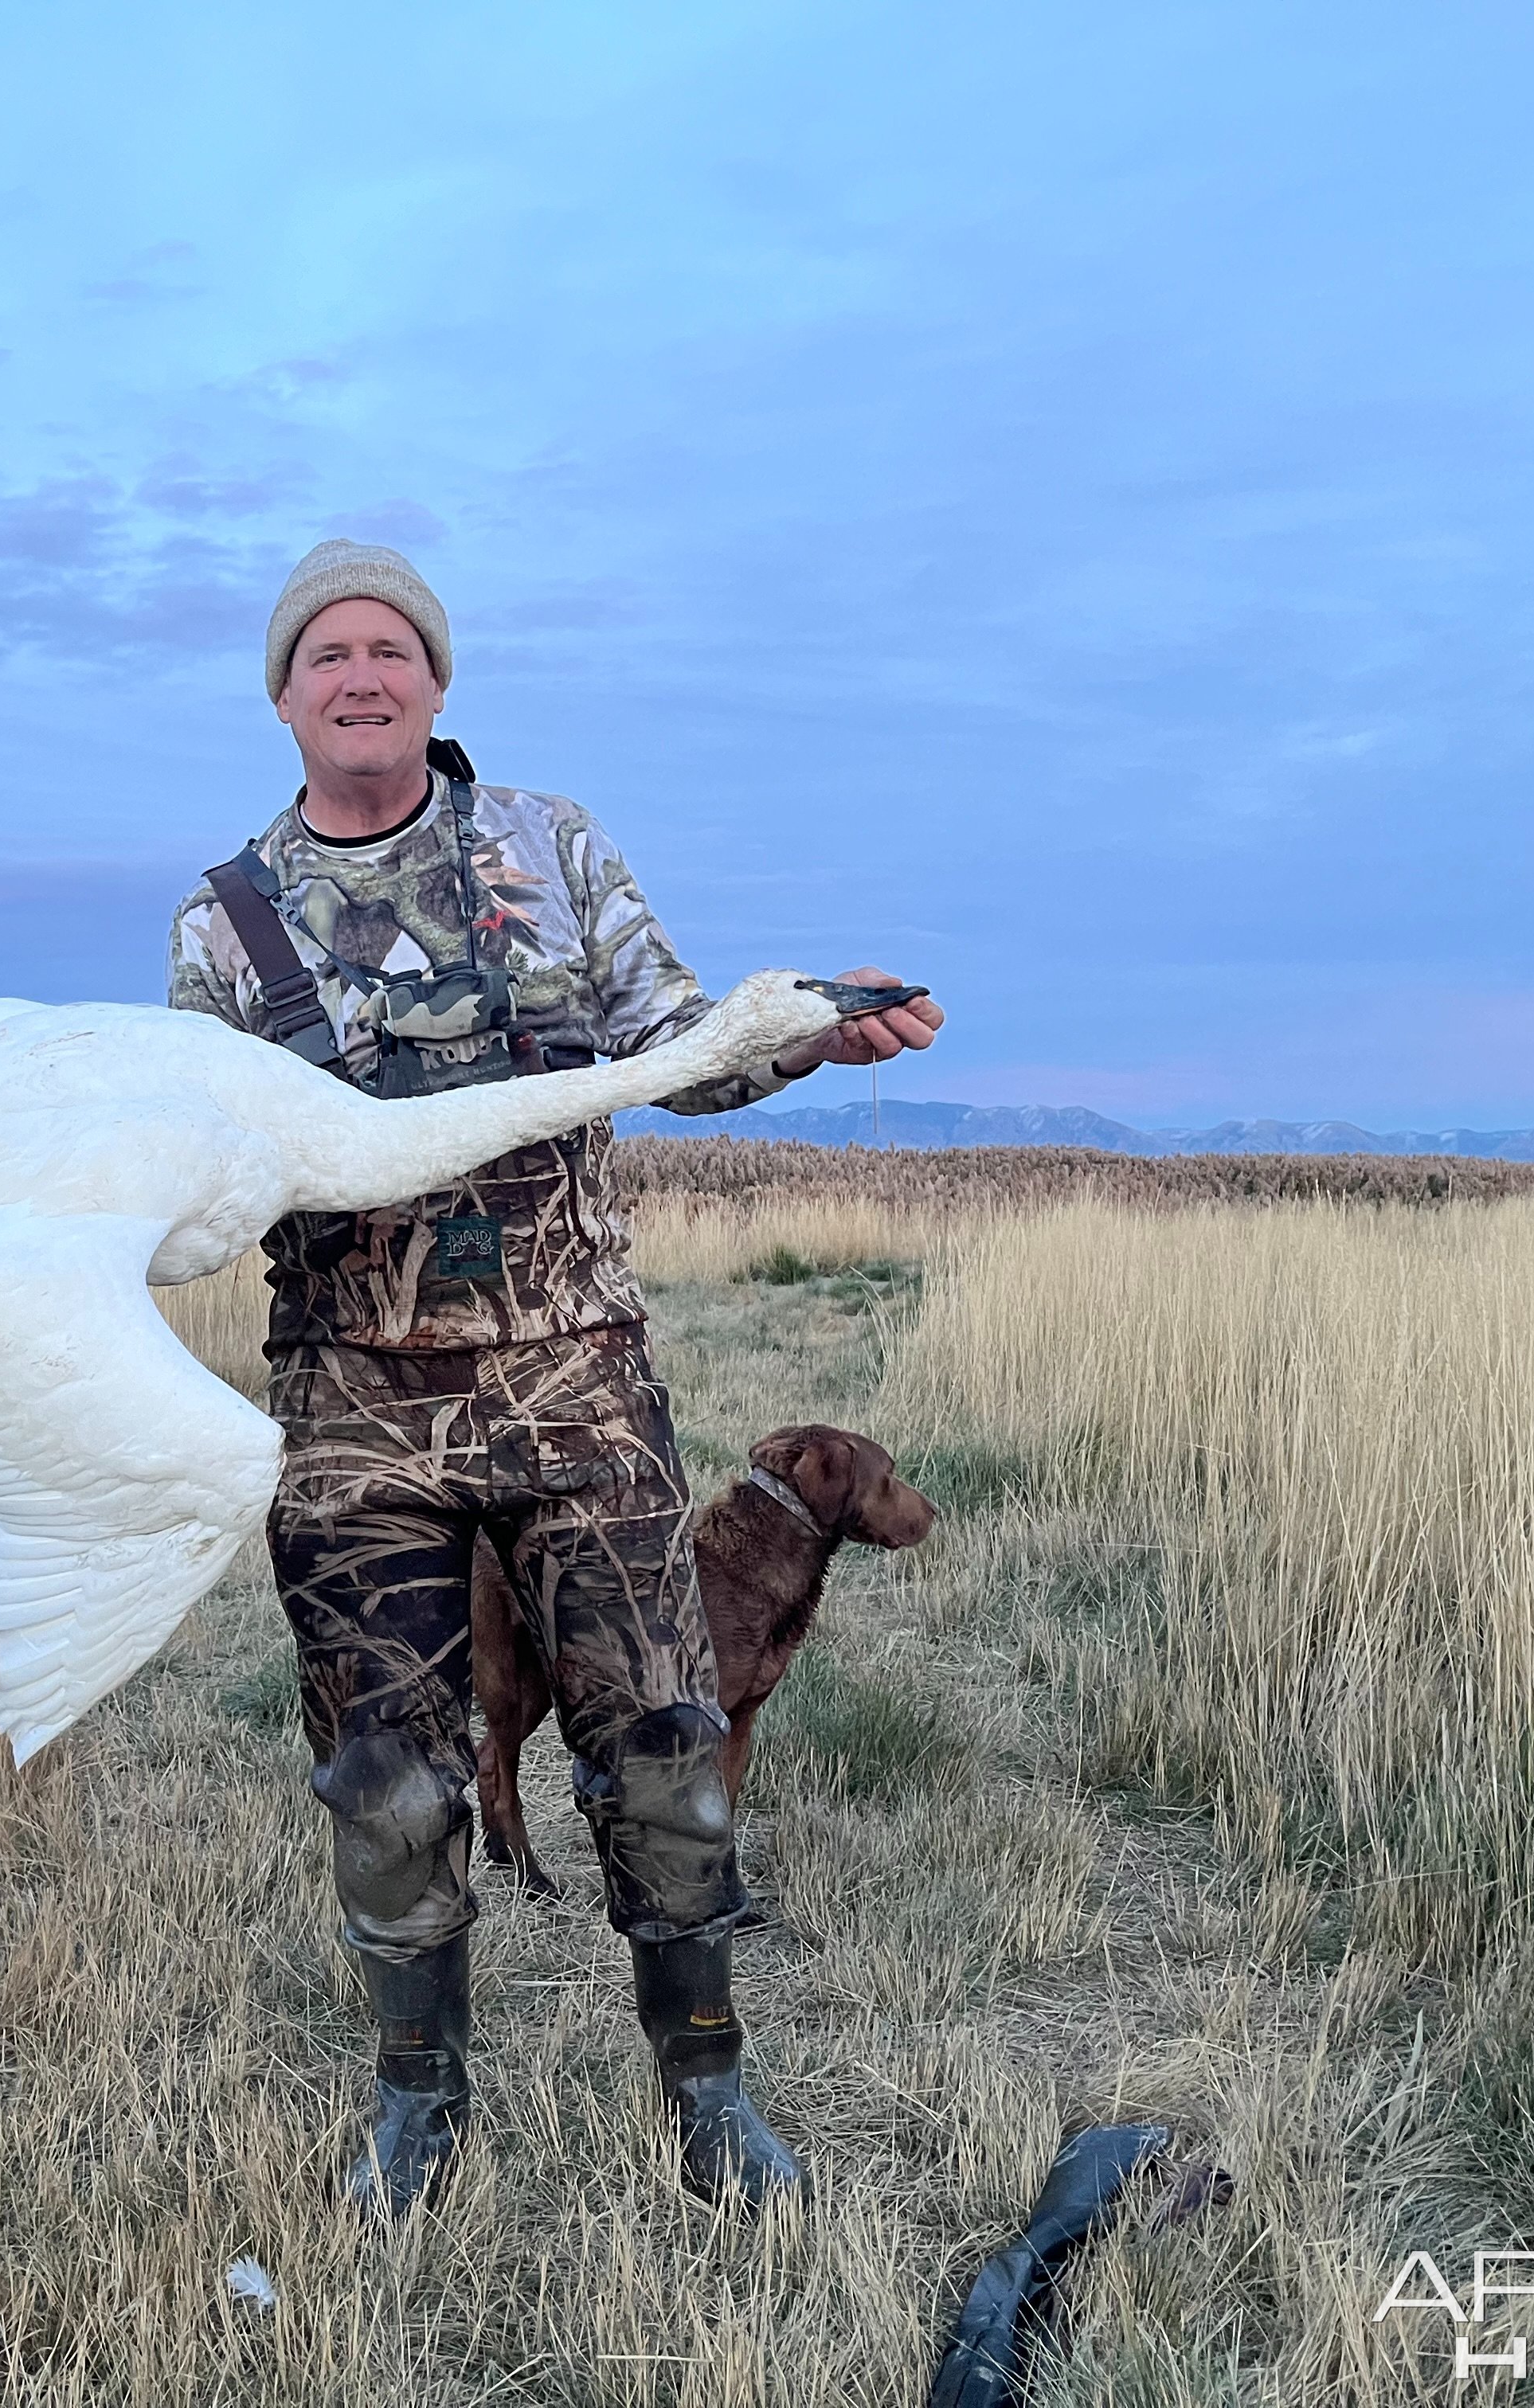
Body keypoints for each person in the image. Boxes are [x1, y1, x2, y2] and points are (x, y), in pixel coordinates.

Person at [167, 538, 941, 2218]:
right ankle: (419, 2107)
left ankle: (712, 2092)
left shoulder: (552, 848)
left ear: (436, 683)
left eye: (390, 650)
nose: (360, 676)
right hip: (352, 1411)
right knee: (383, 1779)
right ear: (285, 696)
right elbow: (198, 1172)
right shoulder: (222, 929)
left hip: (573, 1384)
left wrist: (801, 1032)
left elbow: (683, 1046)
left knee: (664, 1748)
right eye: (326, 657)